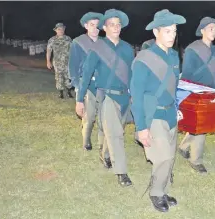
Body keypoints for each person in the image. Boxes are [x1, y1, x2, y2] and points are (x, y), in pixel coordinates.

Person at [130, 9, 185, 212]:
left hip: (170, 113)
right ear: (156, 32)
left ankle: (162, 190)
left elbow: (174, 87)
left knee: (170, 156)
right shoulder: (144, 59)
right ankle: (155, 193)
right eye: (167, 31)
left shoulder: (174, 56)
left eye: (174, 31)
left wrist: (176, 108)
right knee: (163, 157)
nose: (172, 36)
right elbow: (136, 95)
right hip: (153, 115)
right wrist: (142, 128)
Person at [75, 9, 134, 186]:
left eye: (118, 24)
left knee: (117, 130)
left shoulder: (128, 48)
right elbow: (86, 74)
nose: (115, 27)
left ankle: (105, 155)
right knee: (116, 134)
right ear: (104, 28)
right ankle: (121, 172)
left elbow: (131, 73)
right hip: (107, 96)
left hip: (125, 96)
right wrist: (79, 99)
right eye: (111, 24)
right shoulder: (98, 48)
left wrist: (133, 95)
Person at [177, 17, 215, 174]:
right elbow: (187, 74)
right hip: (196, 93)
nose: (214, 31)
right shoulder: (192, 49)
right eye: (210, 28)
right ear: (202, 30)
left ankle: (183, 147)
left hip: (211, 92)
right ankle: (196, 160)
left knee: (203, 123)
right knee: (201, 127)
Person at [69, 12, 105, 152]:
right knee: (89, 116)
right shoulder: (78, 42)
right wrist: (78, 87)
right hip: (87, 85)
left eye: (97, 25)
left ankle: (102, 143)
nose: (95, 28)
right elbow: (73, 66)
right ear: (86, 26)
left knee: (103, 116)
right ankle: (86, 140)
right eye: (92, 25)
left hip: (102, 85)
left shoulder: (104, 42)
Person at [47, 23, 73, 99]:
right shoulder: (52, 40)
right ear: (56, 30)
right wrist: (48, 61)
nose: (61, 30)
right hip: (57, 63)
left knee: (68, 77)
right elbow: (49, 51)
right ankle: (60, 93)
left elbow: (73, 50)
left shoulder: (68, 39)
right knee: (59, 77)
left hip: (67, 62)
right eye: (59, 29)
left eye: (62, 29)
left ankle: (69, 92)